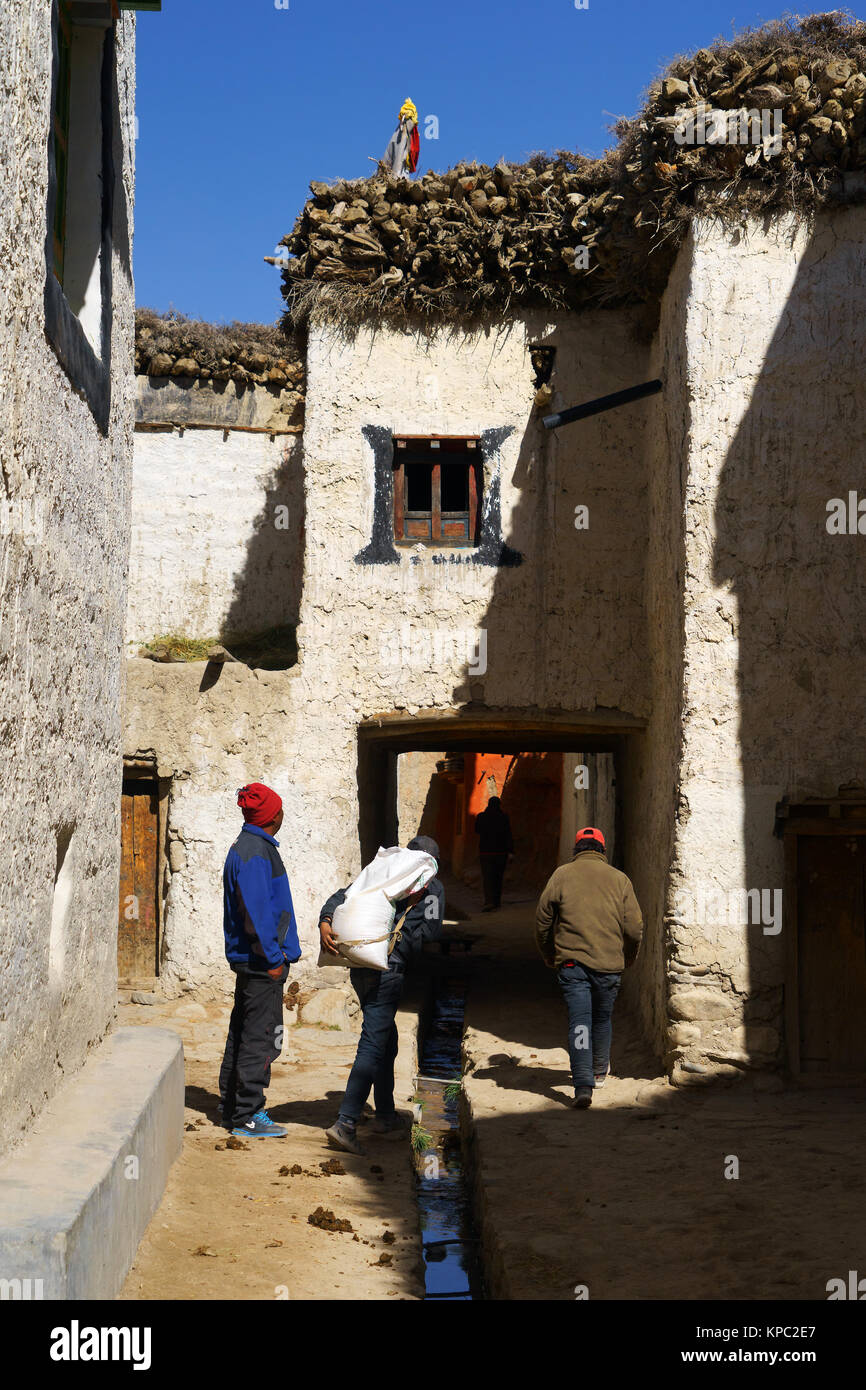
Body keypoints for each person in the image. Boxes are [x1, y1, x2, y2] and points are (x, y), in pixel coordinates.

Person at [319, 835, 444, 1155]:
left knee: (387, 1038)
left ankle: (386, 1114)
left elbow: (340, 896)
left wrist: (325, 921)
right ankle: (345, 1123)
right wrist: (406, 940)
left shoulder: (382, 872)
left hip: (360, 965)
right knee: (374, 1042)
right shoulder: (431, 887)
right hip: (388, 971)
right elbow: (431, 931)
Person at [535, 826, 642, 1109]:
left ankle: (583, 1085)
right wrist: (628, 957)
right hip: (609, 964)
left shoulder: (561, 875)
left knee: (579, 1020)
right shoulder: (620, 880)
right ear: (602, 850)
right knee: (602, 1018)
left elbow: (542, 921)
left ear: (576, 850)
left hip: (572, 964)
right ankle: (598, 1071)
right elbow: (634, 928)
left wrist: (549, 953)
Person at [219, 783, 300, 1139]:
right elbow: (256, 912)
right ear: (273, 815)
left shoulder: (252, 847)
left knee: (245, 1032)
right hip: (260, 963)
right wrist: (272, 958)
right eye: (280, 811)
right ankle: (247, 1114)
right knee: (261, 1038)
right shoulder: (254, 852)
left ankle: (232, 1106)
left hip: (254, 960)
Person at [474, 795, 513, 911]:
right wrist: (511, 851)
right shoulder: (504, 817)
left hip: (485, 852)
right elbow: (508, 835)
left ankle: (488, 901)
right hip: (501, 853)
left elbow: (477, 830)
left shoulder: (481, 817)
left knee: (487, 877)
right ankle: (497, 901)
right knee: (498, 877)